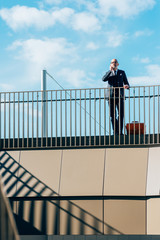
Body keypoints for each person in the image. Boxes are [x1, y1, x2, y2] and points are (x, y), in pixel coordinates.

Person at [102, 59, 130, 135]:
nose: (113, 64)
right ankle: (115, 131)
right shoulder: (108, 73)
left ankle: (120, 132)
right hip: (111, 97)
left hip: (120, 96)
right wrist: (110, 71)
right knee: (112, 115)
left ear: (117, 64)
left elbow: (127, 83)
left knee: (121, 114)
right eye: (112, 63)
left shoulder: (122, 72)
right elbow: (103, 79)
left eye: (115, 62)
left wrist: (126, 86)